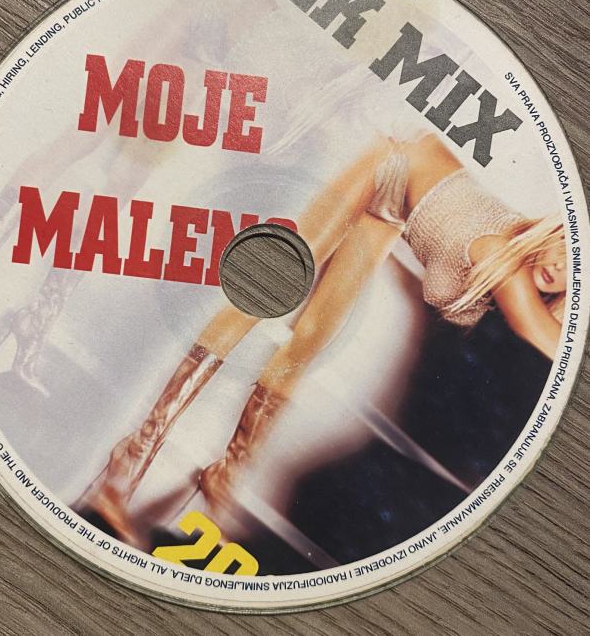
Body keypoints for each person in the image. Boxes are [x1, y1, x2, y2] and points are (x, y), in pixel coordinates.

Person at [73, 132, 566, 542]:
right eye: (566, 246)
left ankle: (228, 472)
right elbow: (539, 334)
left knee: (311, 338)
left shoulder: (524, 284)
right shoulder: (502, 257)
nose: (561, 265)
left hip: (398, 210)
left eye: (575, 272)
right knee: (268, 288)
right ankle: (132, 454)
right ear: (557, 231)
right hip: (390, 165)